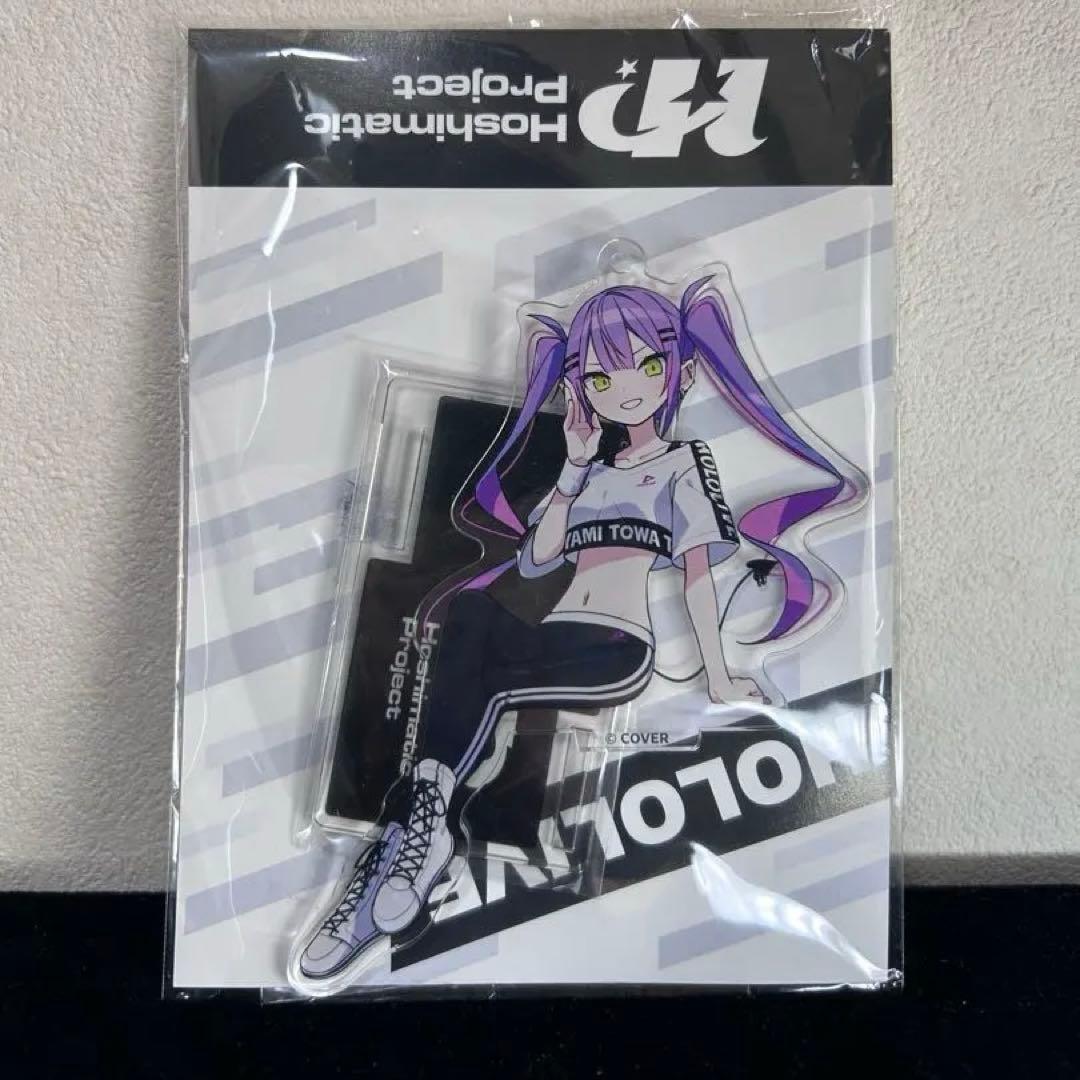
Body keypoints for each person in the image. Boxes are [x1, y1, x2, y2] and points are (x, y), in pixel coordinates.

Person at [293, 277, 850, 987]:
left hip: (614, 647)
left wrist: (718, 675)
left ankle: (418, 830)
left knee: (481, 659)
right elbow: (537, 559)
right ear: (581, 385)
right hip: (551, 635)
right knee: (471, 618)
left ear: (679, 373)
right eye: (602, 376)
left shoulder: (683, 462)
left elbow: (697, 576)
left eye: (647, 367)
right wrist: (575, 466)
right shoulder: (587, 470)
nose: (627, 389)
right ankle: (411, 840)